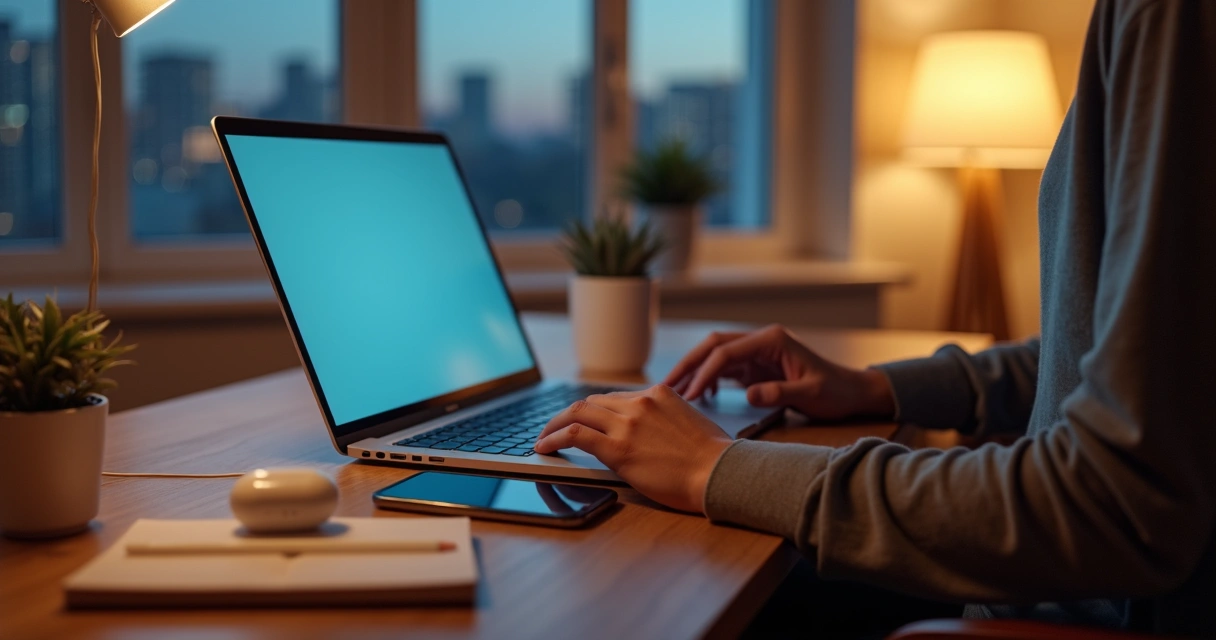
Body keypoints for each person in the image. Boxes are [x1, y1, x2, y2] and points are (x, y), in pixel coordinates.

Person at [533, 0, 1216, 635]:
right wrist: (877, 388)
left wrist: (712, 466)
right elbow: (1117, 355)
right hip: (1065, 584)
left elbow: (1114, 505)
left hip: (1082, 610)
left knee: (653, 602)